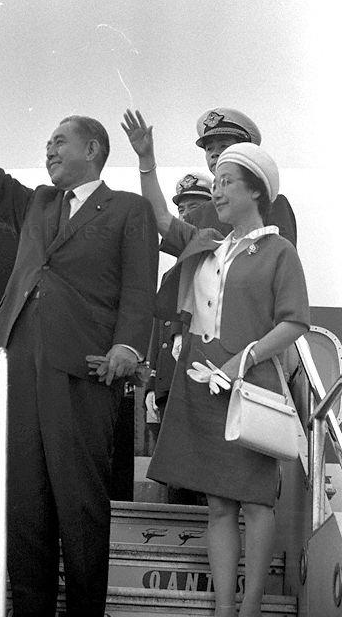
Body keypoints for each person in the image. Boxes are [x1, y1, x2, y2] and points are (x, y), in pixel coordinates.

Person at [0, 73, 158, 617]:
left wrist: (127, 348)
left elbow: (138, 287)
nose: (50, 149)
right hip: (17, 368)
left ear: (93, 150)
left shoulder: (129, 210)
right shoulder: (35, 203)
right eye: (48, 143)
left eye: (60, 141)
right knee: (23, 502)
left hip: (84, 370)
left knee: (80, 503)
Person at [145, 142, 310, 617]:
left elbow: (294, 321)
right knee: (218, 505)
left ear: (256, 190)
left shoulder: (279, 251)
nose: (216, 190)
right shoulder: (206, 244)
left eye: (226, 182)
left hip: (251, 385)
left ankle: (251, 608)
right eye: (214, 182)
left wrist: (246, 357)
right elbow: (160, 217)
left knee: (256, 504)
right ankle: (223, 608)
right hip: (201, 385)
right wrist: (146, 160)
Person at [121, 107, 297, 248]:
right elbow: (161, 217)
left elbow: (283, 267)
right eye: (209, 148)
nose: (215, 153)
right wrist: (146, 159)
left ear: (245, 151)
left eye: (224, 145)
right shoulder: (197, 217)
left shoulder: (273, 204)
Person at [145, 172, 212, 504]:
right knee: (172, 470)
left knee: (194, 471)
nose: (187, 215)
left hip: (194, 374)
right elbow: (160, 332)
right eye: (183, 208)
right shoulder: (174, 272)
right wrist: (150, 385)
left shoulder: (210, 263)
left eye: (195, 207)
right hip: (168, 382)